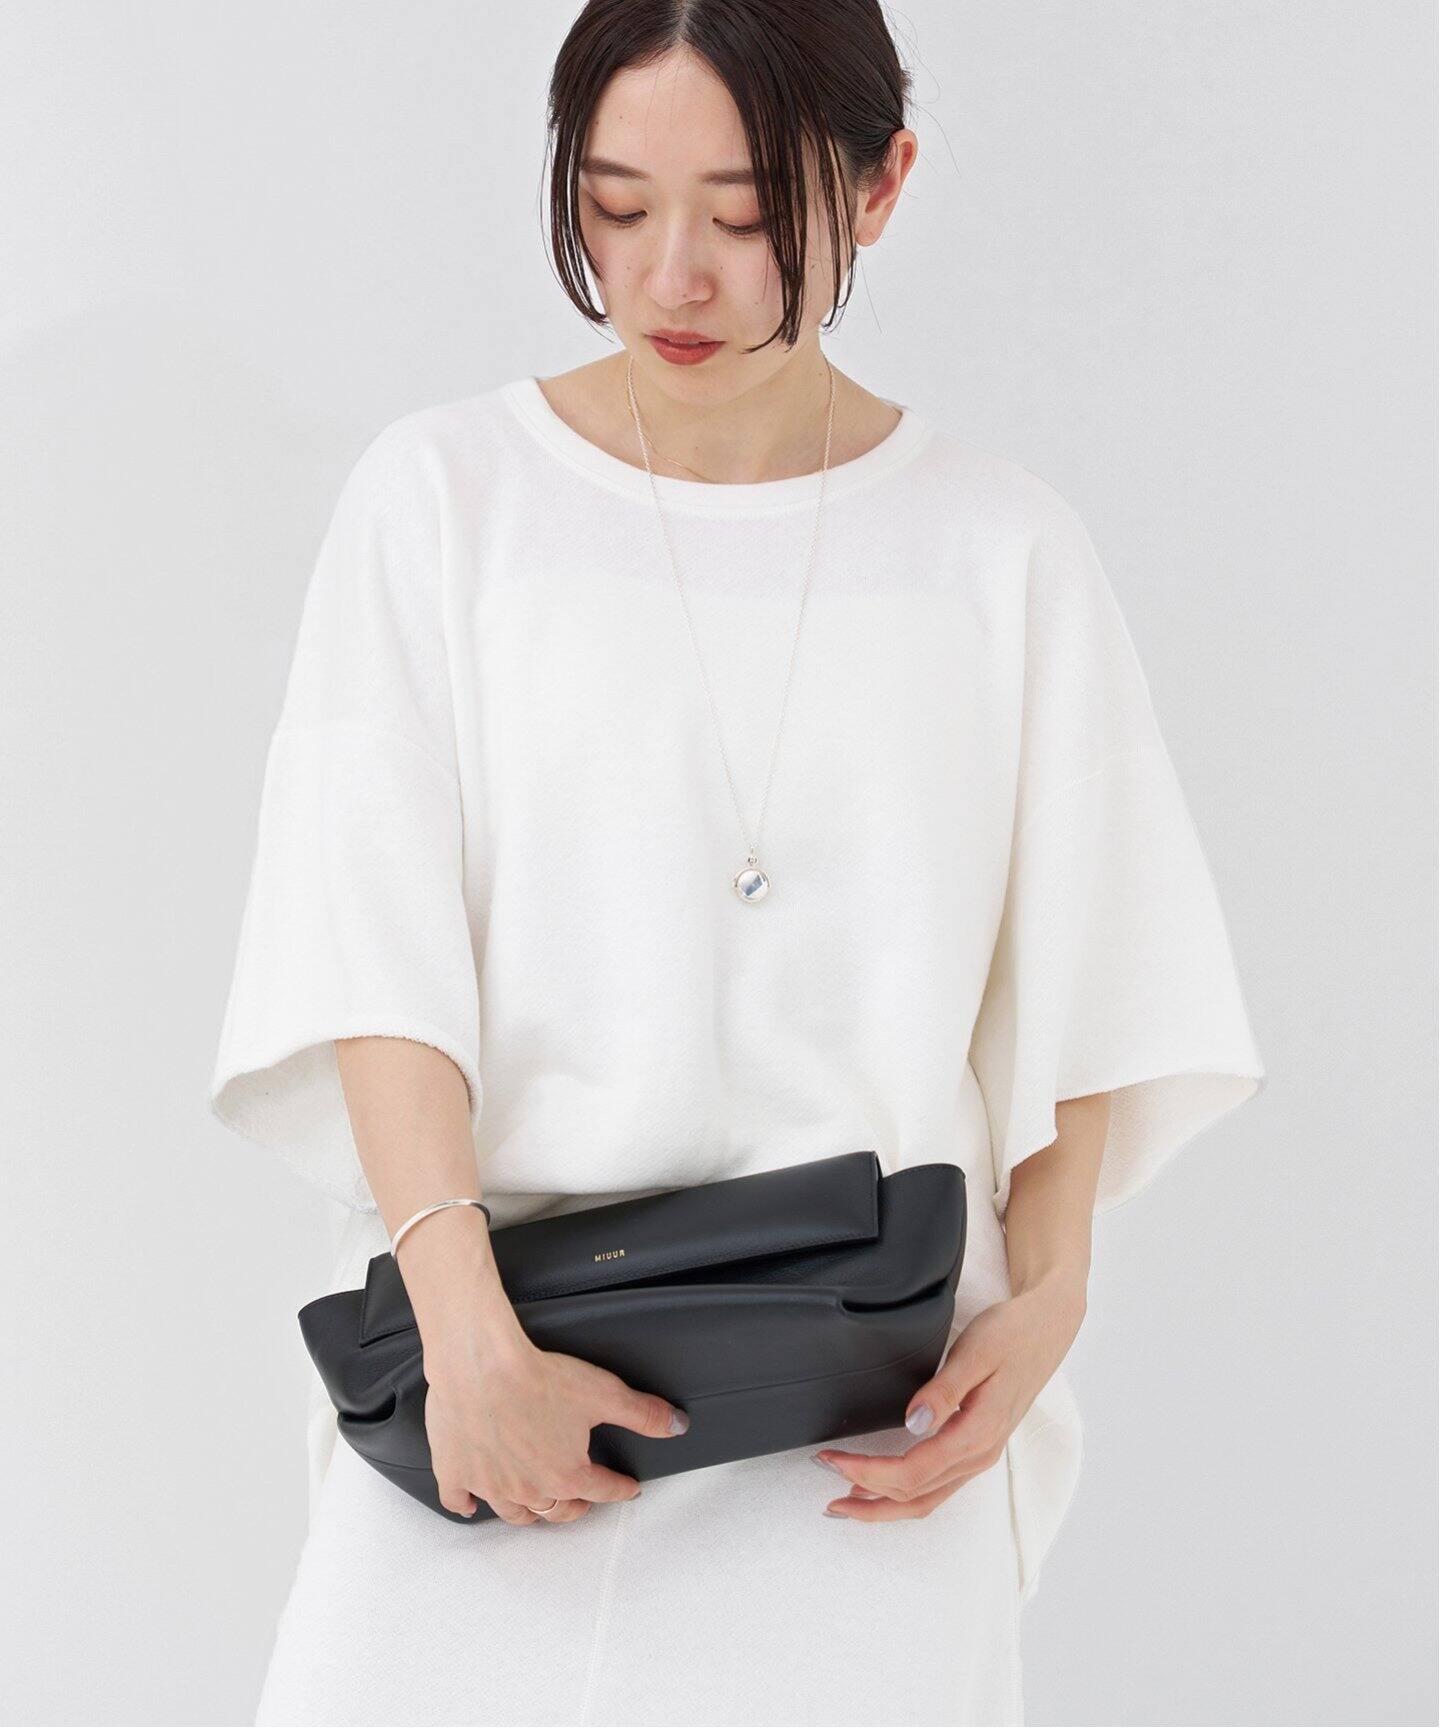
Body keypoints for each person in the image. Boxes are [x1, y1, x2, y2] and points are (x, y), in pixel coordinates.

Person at [208, 3, 1266, 1723]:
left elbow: (1091, 973)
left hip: (862, 1429)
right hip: (500, 1366)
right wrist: (467, 1342)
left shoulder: (999, 552)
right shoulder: (447, 501)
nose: (672, 276)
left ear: (882, 184)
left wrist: (1052, 1302)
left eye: (750, 212)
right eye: (616, 206)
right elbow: (366, 950)